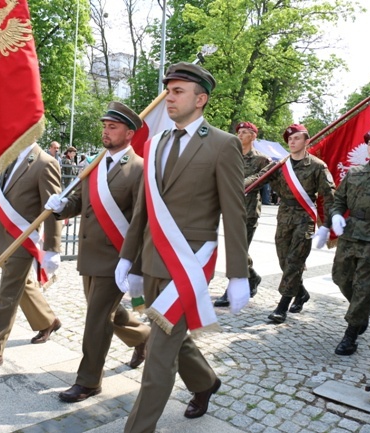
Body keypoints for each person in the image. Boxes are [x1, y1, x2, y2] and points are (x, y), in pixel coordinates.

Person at [114, 62, 250, 432]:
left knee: (158, 358)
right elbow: (144, 208)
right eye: (168, 90)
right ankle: (206, 382)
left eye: (177, 92)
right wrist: (130, 258)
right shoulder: (156, 142)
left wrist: (238, 274)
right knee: (170, 337)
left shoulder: (223, 144)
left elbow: (234, 214)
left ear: (200, 99)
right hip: (152, 261)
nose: (168, 98)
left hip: (188, 268)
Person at [45, 102, 151, 403]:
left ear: (129, 133)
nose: (106, 131)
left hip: (117, 256)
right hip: (89, 256)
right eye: (104, 126)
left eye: (112, 127)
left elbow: (142, 220)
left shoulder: (139, 168)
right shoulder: (94, 164)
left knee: (95, 320)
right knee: (106, 312)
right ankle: (143, 336)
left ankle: (89, 380)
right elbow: (78, 201)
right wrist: (60, 207)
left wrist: (136, 265)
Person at [0, 142, 63, 372]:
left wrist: (52, 247)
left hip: (24, 240)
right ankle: (48, 321)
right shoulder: (5, 159)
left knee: (7, 293)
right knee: (22, 284)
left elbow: (53, 209)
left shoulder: (45, 163)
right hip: (4, 236)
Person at [245, 124, 335, 323]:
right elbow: (259, 178)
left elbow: (329, 196)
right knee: (284, 261)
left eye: (297, 138)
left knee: (294, 261)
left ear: (307, 141)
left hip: (304, 217)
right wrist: (238, 184)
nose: (292, 142)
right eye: (290, 139)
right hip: (284, 216)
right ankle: (301, 293)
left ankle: (282, 306)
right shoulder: (281, 164)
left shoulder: (317, 166)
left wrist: (328, 224)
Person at [330, 127, 370, 355]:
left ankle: (351, 334)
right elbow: (339, 200)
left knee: (364, 286)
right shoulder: (355, 172)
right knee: (340, 277)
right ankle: (363, 309)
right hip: (350, 234)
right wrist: (336, 215)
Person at [214, 122, 271, 307]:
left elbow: (262, 179)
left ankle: (230, 291)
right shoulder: (231, 156)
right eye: (239, 132)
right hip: (230, 209)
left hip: (249, 211)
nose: (240, 135)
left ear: (253, 137)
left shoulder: (261, 160)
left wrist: (242, 183)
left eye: (245, 132)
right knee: (239, 251)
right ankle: (252, 277)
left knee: (237, 252)